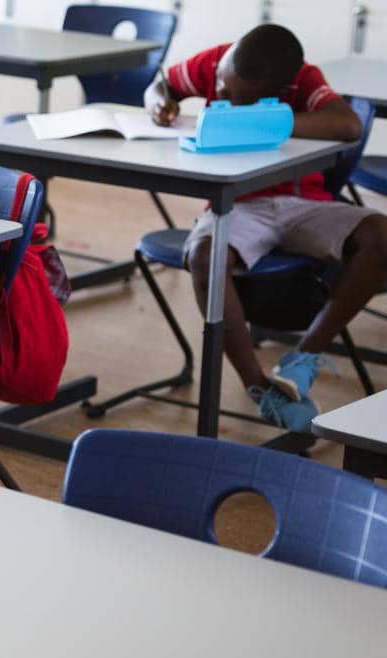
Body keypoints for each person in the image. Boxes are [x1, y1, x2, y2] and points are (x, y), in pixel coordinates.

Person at [145, 23, 382, 431]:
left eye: (242, 98)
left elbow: (348, 125)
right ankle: (259, 388)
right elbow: (160, 85)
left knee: (380, 234)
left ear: (279, 90)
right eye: (222, 89)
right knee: (205, 255)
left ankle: (302, 359)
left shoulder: (303, 80)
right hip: (237, 206)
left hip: (302, 204)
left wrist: (265, 122)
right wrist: (158, 102)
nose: (226, 100)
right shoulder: (213, 61)